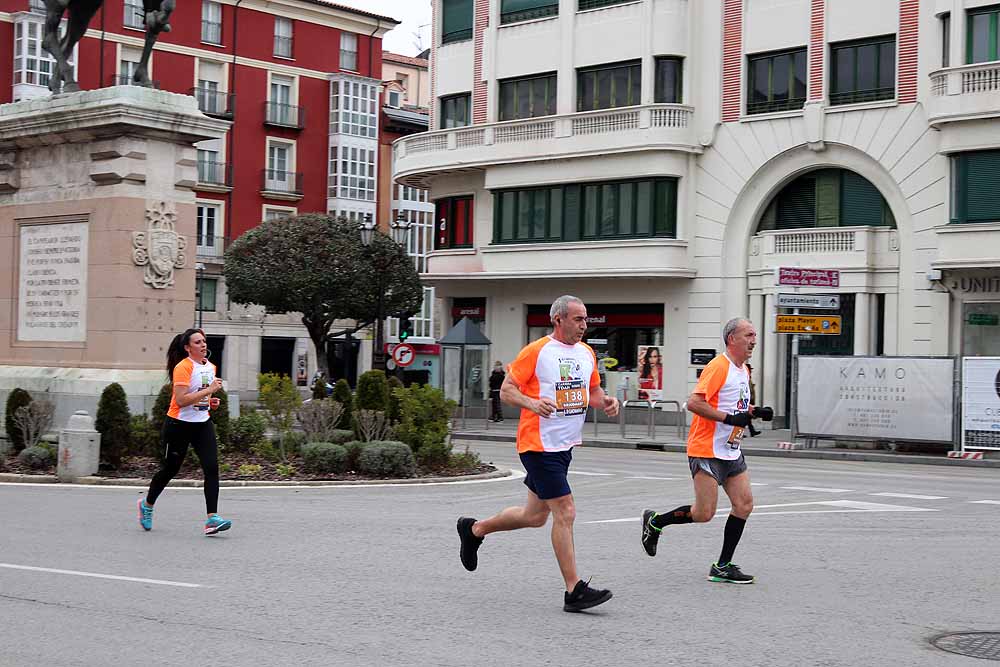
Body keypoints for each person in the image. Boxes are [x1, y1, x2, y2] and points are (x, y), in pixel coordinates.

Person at [457, 295, 621, 612]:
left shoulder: (587, 353)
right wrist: (532, 403)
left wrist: (607, 401)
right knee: (566, 511)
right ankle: (574, 590)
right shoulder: (537, 351)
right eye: (578, 319)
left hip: (564, 446)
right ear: (558, 320)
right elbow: (507, 390)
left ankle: (475, 530)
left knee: (534, 517)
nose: (584, 325)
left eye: (586, 319)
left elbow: (594, 391)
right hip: (538, 445)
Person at [640, 318, 769, 584]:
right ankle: (655, 522)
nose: (754, 340)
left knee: (744, 505)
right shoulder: (718, 367)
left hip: (731, 449)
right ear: (732, 339)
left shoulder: (743, 369)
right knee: (704, 514)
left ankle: (722, 566)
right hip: (706, 449)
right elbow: (694, 403)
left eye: (755, 335)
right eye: (749, 335)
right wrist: (729, 419)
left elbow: (735, 405)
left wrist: (755, 412)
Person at [137, 328, 232, 536]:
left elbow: (199, 399)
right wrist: (208, 391)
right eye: (197, 342)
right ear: (188, 348)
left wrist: (210, 402)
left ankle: (212, 519)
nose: (203, 345)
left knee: (212, 467)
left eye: (204, 341)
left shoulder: (211, 367)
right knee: (170, 469)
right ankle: (147, 504)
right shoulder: (183, 367)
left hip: (202, 423)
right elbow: (180, 400)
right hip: (178, 425)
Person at [745, 362, 760, 437]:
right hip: (746, 402)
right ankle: (751, 431)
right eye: (750, 369)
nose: (751, 371)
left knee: (747, 419)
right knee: (745, 418)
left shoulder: (748, 377)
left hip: (749, 401)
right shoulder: (744, 377)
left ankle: (752, 431)